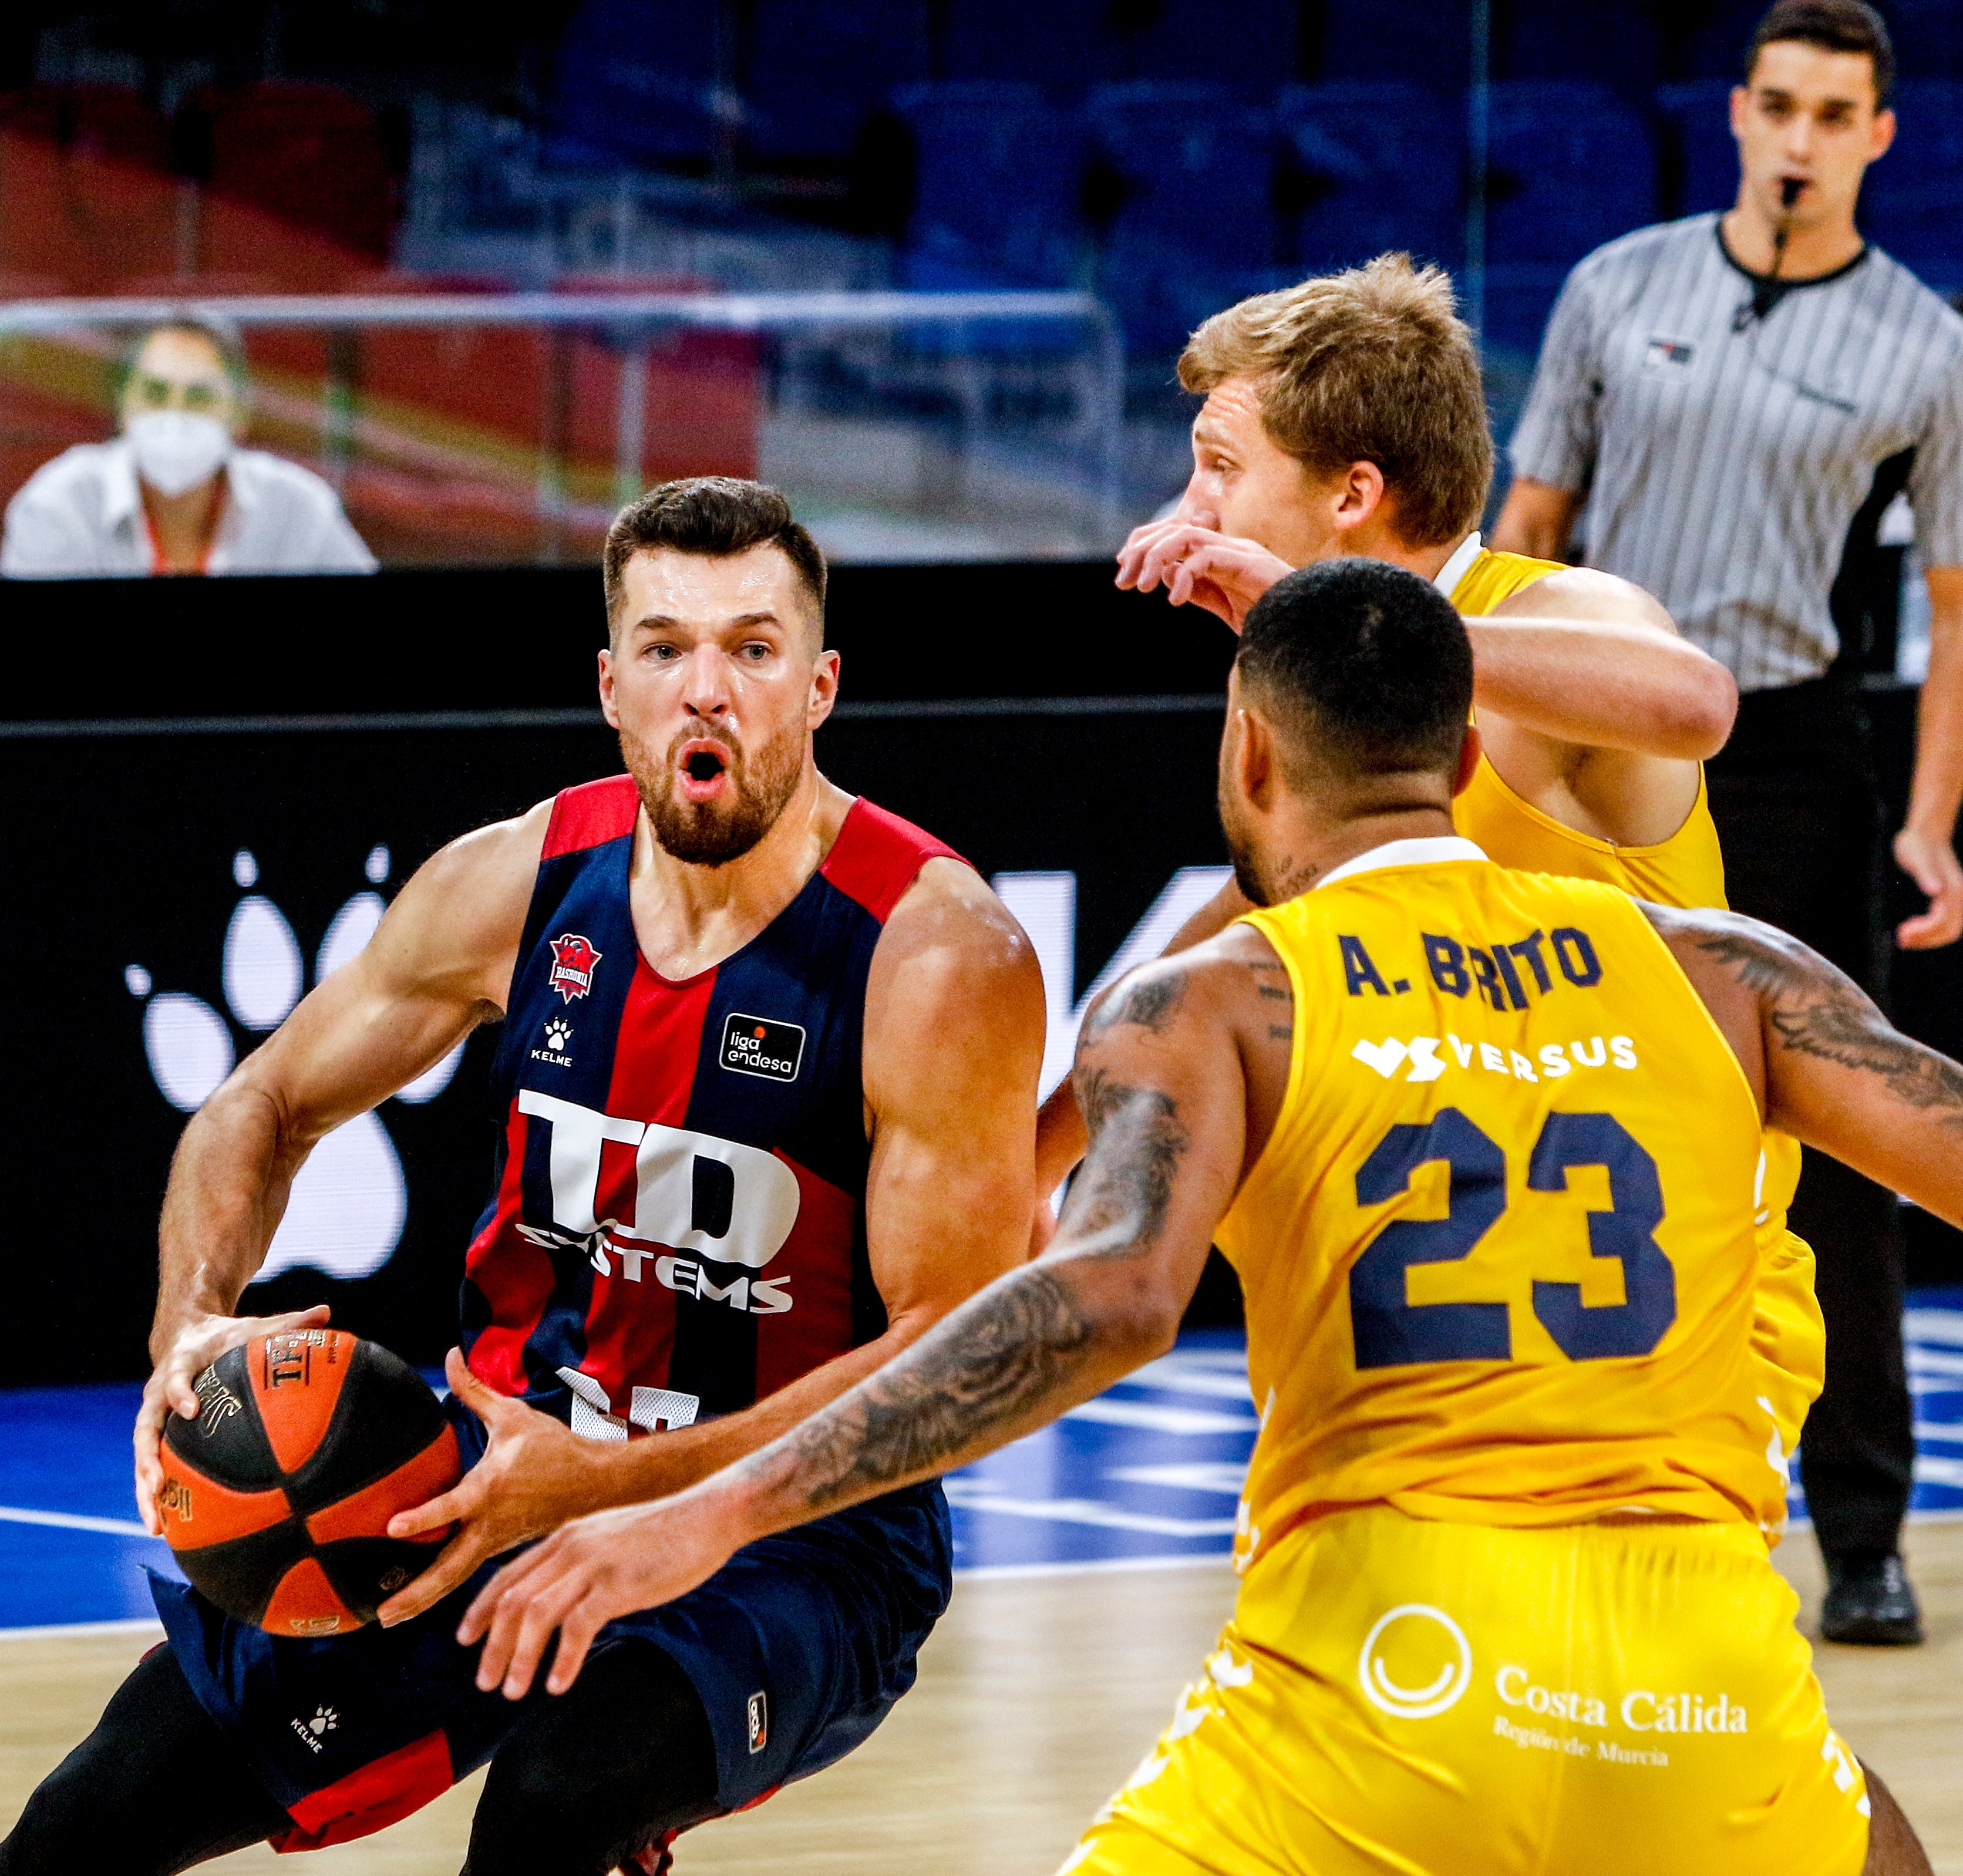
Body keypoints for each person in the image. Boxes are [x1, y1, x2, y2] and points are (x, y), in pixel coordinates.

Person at [464, 561, 1939, 1876]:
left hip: (1380, 1679)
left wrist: (704, 1506)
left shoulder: (1210, 1003)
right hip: (1697, 1681)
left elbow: (1104, 1301)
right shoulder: (1730, 975)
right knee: (1863, 1832)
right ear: (1467, 748)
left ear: (1246, 749)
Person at [0, 478, 1043, 1874]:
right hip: (488, 1478)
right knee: (81, 1828)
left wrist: (629, 1486)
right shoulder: (518, 881)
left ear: (820, 685)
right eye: (666, 650)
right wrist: (191, 1320)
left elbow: (948, 1376)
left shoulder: (935, 954)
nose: (707, 693)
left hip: (804, 1534)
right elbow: (260, 1100)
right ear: (611, 687)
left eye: (752, 648)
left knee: (552, 1805)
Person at [1032, 259, 1821, 1554]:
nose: (1192, 507)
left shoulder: (1551, 614)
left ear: (1351, 493)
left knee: (1624, 1701)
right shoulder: (1333, 705)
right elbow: (1239, 929)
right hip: (1443, 1299)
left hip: (1657, 1306)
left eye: (1222, 465)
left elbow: (1694, 702)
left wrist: (1332, 620)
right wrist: (1038, 1150)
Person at [1491, 0, 1963, 1643]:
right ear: (1735, 112)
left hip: (1792, 759)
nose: (1798, 137)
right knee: (1553, 1120)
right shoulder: (1614, 289)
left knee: (1833, 1156)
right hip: (1591, 755)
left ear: (1875, 135)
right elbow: (1527, 523)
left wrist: (1931, 821)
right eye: (1776, 105)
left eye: (1833, 114)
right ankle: (1540, 1496)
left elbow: (1950, 608)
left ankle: (1858, 1537)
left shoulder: (1921, 341)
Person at [0, 316, 376, 577]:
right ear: (124, 406)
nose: (174, 416)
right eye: (155, 393)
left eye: (199, 396)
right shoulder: (57, 506)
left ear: (239, 412)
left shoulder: (301, 508)